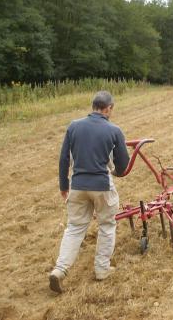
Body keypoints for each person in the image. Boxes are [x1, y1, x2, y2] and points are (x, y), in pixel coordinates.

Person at [49, 90, 130, 293]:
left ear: (93, 106)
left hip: (77, 185)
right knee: (107, 225)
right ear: (109, 108)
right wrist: (118, 172)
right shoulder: (114, 130)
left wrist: (63, 186)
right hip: (102, 185)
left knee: (75, 228)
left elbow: (63, 159)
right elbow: (123, 163)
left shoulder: (74, 126)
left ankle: (60, 269)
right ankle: (102, 270)